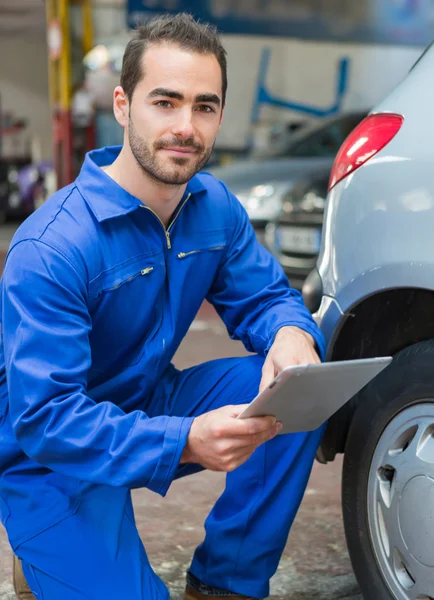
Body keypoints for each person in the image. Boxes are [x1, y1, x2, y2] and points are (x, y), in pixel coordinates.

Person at [2, 13, 326, 600]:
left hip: (149, 401)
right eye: (166, 102)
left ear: (221, 115)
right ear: (123, 105)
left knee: (296, 388)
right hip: (47, 455)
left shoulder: (213, 207)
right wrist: (184, 441)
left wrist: (291, 334)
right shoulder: (52, 247)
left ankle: (225, 582)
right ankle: (47, 549)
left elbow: (269, 297)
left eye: (205, 106)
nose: (185, 126)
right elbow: (45, 418)